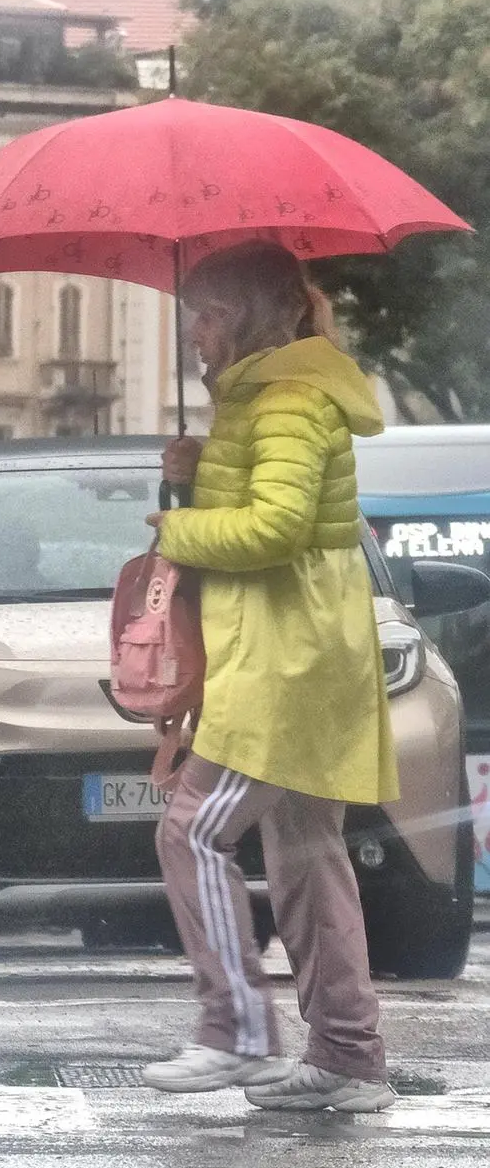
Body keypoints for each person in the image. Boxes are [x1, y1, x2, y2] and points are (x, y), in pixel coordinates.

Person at [140, 242, 397, 1113]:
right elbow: (255, 509)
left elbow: (276, 529)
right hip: (294, 647)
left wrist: (177, 529)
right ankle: (347, 1057)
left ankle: (237, 1030)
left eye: (205, 313)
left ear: (244, 313)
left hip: (286, 653)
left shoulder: (287, 397)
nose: (193, 333)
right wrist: (193, 477)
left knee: (191, 830)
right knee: (305, 856)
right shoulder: (265, 398)